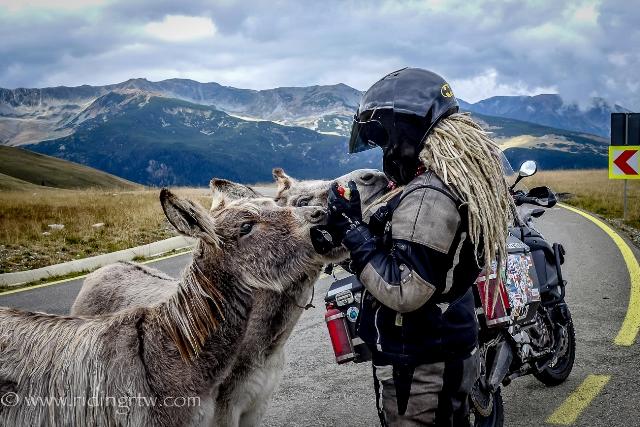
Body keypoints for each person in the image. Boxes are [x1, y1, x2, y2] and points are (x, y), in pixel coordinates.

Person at [324, 68, 515, 426]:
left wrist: (353, 232)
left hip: (420, 360)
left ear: (404, 131)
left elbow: (404, 289)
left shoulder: (429, 194)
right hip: (444, 343)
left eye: (384, 140)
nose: (385, 151)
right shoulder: (449, 179)